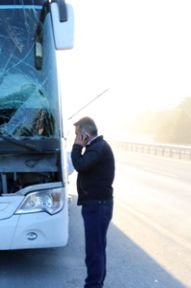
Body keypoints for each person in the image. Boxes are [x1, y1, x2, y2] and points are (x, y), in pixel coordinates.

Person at [70, 117, 115, 288]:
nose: (76, 138)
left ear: (84, 134)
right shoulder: (96, 147)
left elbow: (80, 165)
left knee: (94, 251)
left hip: (97, 205)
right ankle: (96, 284)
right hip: (97, 204)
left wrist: (76, 147)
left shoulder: (98, 148)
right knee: (97, 249)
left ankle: (93, 285)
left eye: (77, 135)